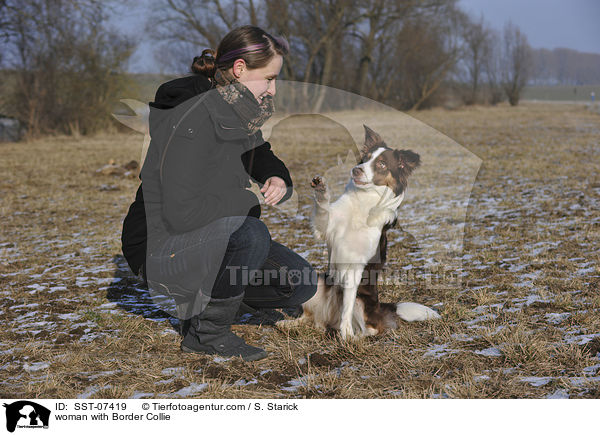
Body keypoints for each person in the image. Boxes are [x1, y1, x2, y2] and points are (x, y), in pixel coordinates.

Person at [121, 26, 317, 361]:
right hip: (160, 247)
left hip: (206, 235)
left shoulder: (232, 107)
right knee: (251, 233)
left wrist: (276, 177)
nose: (273, 89)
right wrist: (247, 203)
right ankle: (206, 334)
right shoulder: (190, 119)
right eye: (269, 78)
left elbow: (259, 153)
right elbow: (181, 212)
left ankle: (207, 296)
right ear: (240, 69)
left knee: (299, 283)